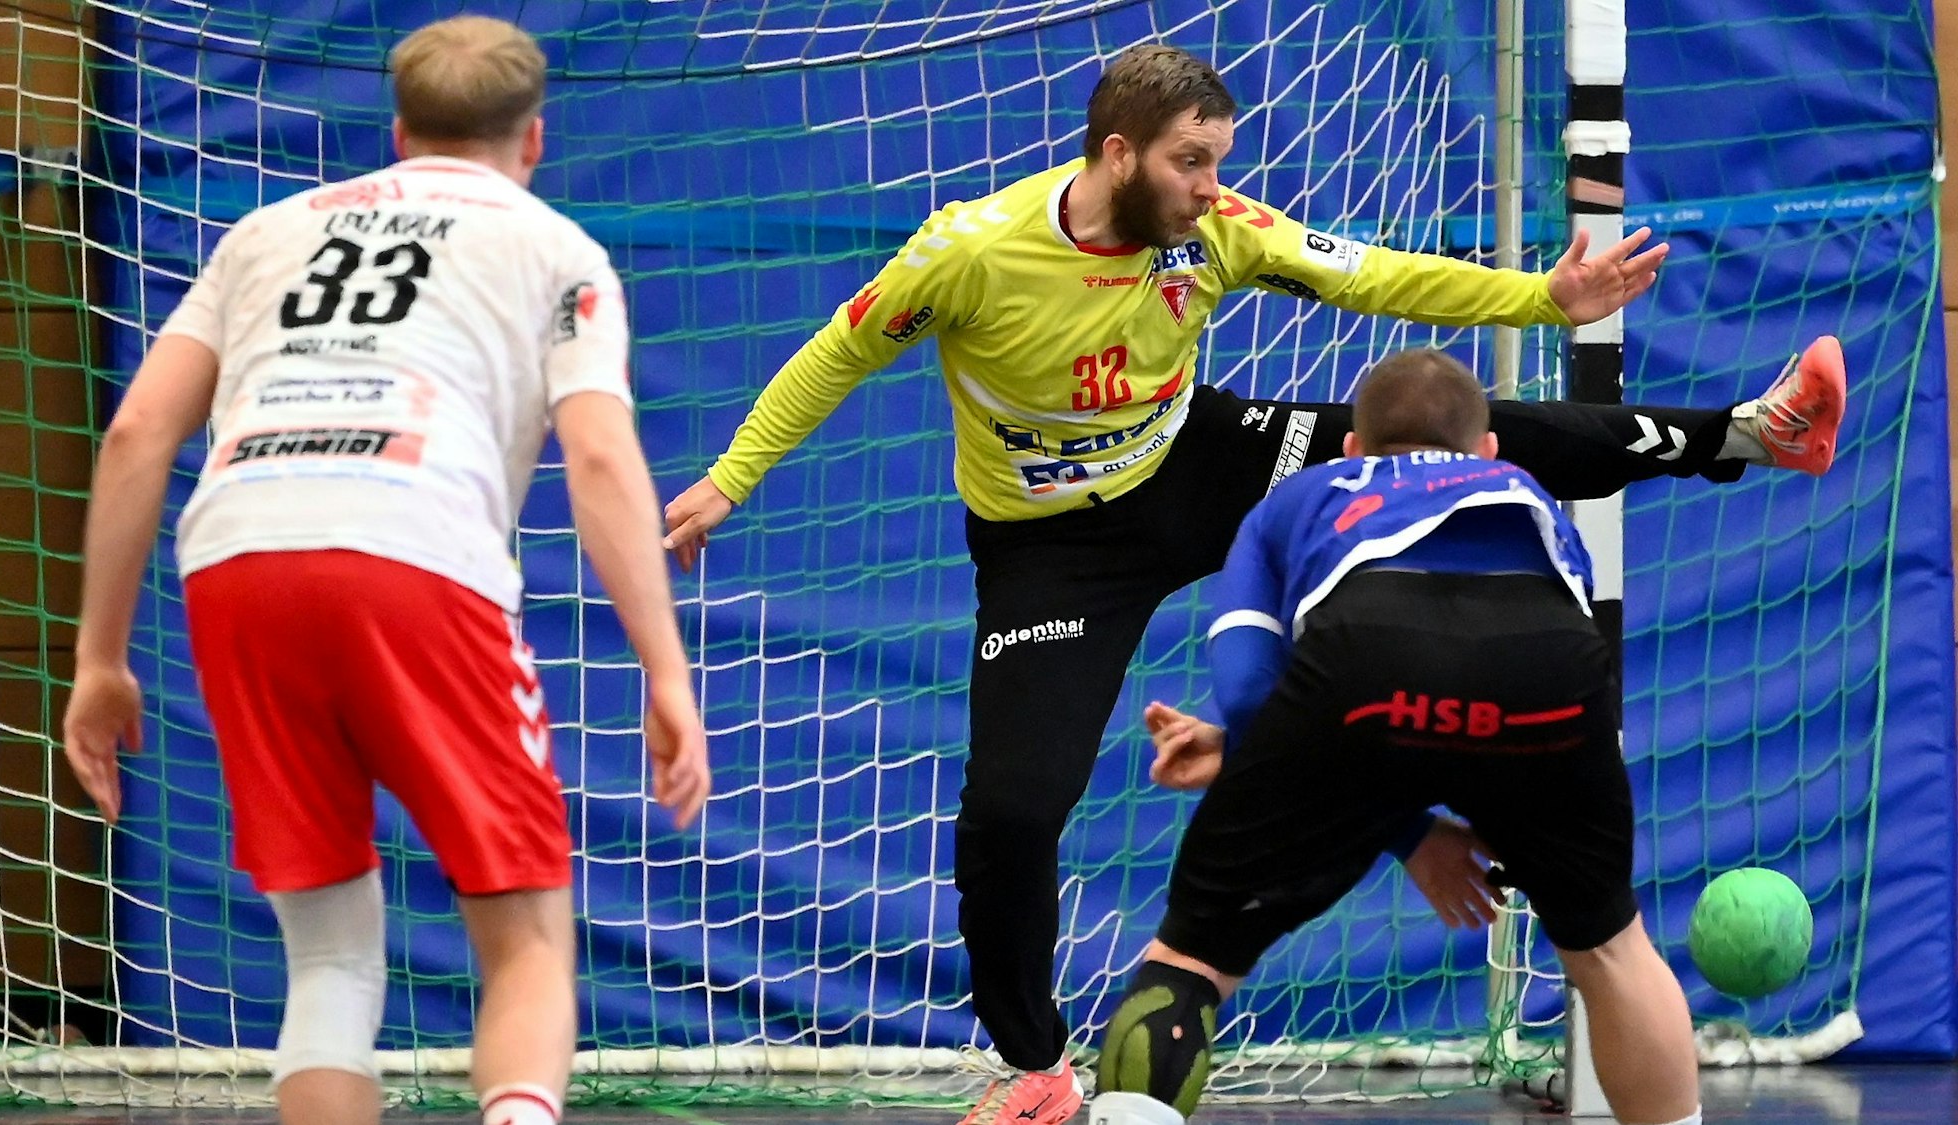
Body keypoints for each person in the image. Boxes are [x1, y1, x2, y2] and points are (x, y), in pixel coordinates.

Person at [660, 43, 1842, 1125]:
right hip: (1050, 551)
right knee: (1012, 812)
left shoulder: (1215, 229)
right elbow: (837, 350)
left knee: (1455, 438)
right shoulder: (970, 249)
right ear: (1115, 152)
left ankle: (1748, 431)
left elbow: (1373, 278)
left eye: (1217, 161)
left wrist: (1540, 298)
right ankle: (1034, 1071)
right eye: (1188, 161)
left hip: (1196, 458)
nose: (1207, 184)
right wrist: (727, 481)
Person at [58, 17, 710, 1125]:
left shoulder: (264, 232)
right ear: (534, 139)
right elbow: (599, 454)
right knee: (528, 943)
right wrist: (664, 669)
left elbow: (133, 438)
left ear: (400, 129)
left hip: (237, 557)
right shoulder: (555, 249)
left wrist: (99, 658)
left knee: (328, 963)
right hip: (415, 551)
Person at [1086, 348, 1702, 1125]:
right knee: (1611, 951)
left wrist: (1320, 784)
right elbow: (1527, 671)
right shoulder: (1527, 493)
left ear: (1351, 447)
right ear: (1486, 451)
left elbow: (1248, 690)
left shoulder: (1301, 494)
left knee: (1193, 958)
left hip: (1364, 669)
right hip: (1549, 679)